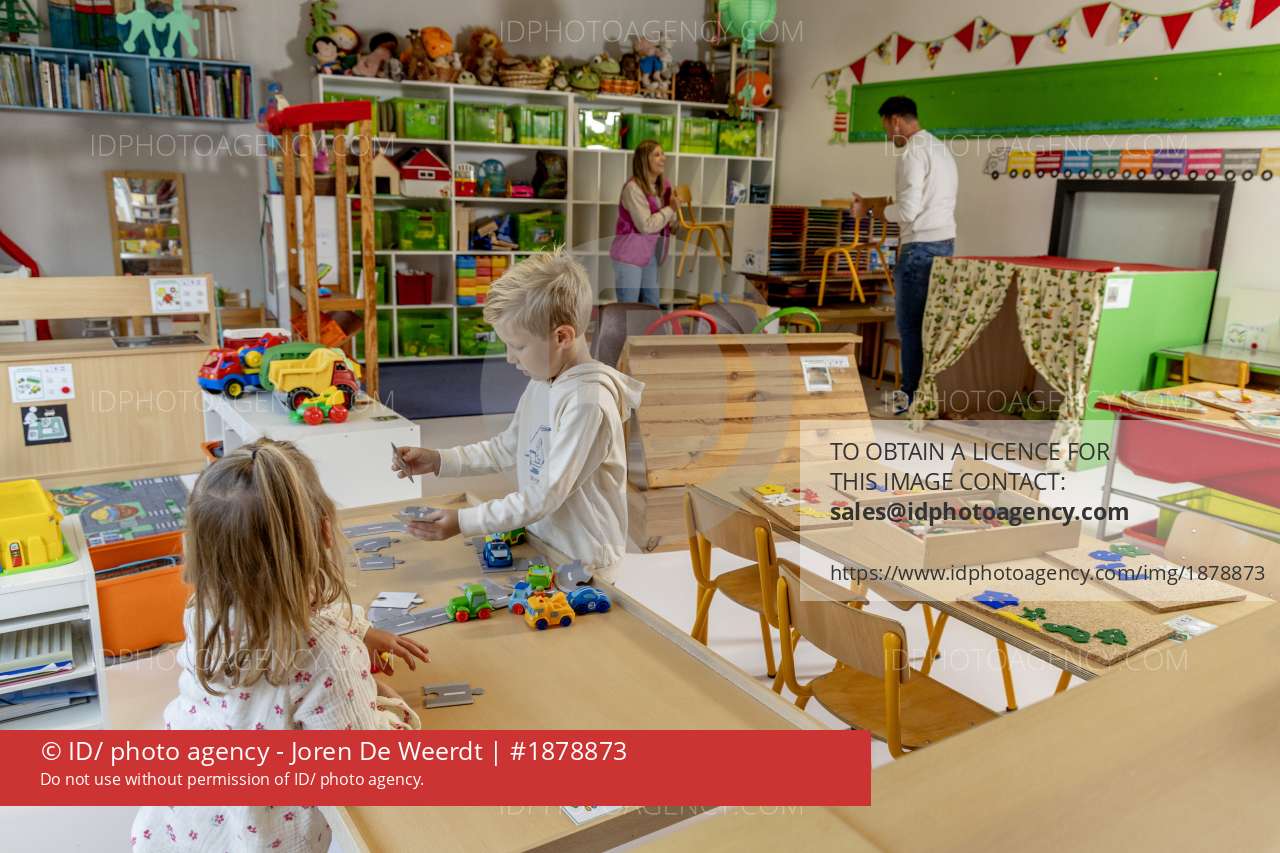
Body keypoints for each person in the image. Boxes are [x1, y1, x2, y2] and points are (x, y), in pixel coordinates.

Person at [131, 440, 429, 852]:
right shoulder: (325, 652)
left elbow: (291, 605)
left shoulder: (207, 606)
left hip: (183, 819)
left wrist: (359, 629)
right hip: (258, 837)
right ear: (324, 531)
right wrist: (393, 709)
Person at [394, 249, 644, 581]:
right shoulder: (543, 381)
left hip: (586, 561)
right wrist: (440, 460)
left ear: (562, 337)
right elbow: (507, 448)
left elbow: (546, 494)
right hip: (545, 543)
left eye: (518, 346)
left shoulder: (589, 403)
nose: (510, 358)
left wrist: (464, 521)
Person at [852, 95, 957, 414]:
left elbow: (908, 211)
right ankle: (928, 397)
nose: (887, 135)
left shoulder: (912, 153)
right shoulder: (940, 149)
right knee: (931, 326)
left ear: (896, 120)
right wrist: (876, 205)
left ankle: (908, 399)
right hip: (946, 245)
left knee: (910, 327)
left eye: (886, 127)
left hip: (919, 248)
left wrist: (870, 213)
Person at [610, 139, 677, 305]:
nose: (663, 158)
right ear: (644, 160)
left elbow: (667, 220)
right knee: (628, 306)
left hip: (648, 254)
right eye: (657, 155)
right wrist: (671, 209)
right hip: (629, 255)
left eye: (663, 154)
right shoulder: (633, 188)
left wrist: (673, 216)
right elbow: (646, 226)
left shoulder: (663, 186)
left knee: (652, 303)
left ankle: (650, 324)